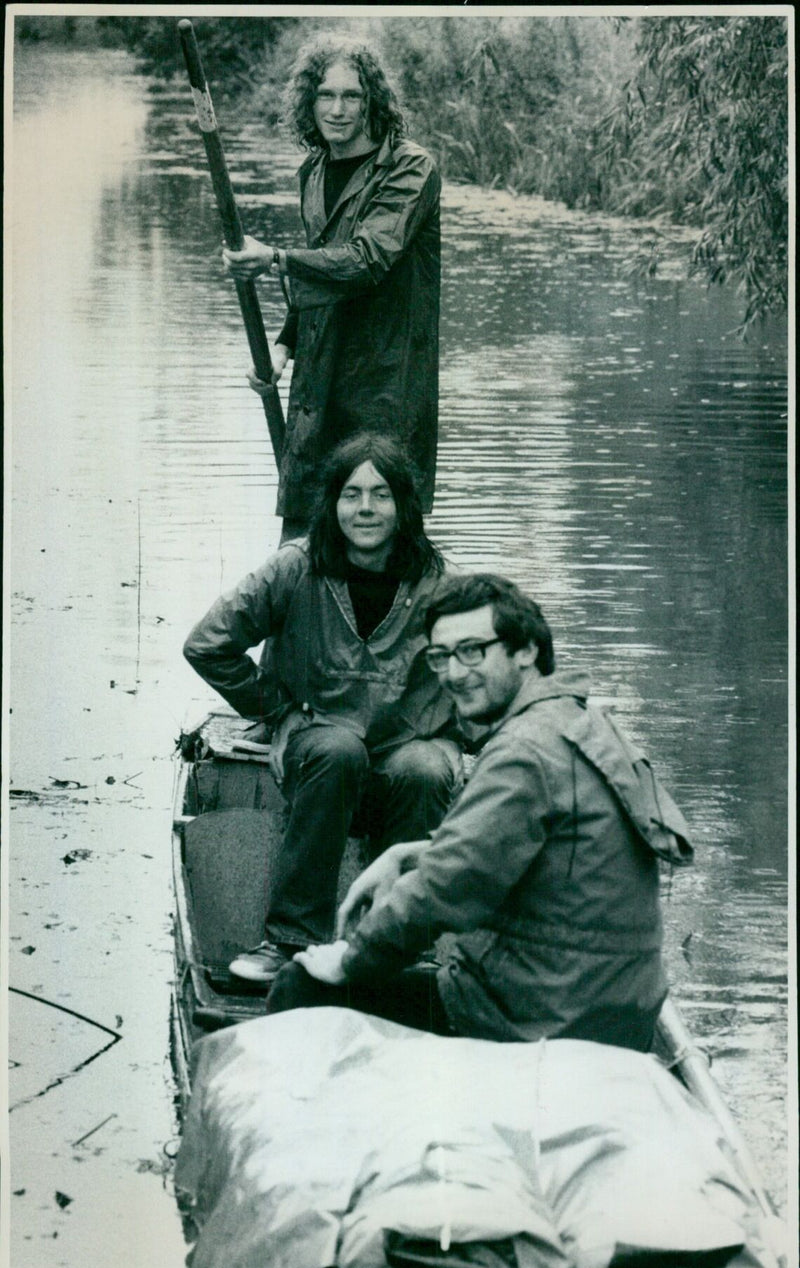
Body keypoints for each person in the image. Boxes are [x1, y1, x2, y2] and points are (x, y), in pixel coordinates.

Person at [267, 574, 695, 1053]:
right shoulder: (580, 722)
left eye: (472, 651)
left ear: (526, 651)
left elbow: (445, 888)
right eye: (441, 656)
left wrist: (351, 958)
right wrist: (407, 855)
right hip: (616, 1015)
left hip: (537, 1021)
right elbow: (531, 843)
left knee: (301, 986)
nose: (452, 673)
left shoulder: (523, 750)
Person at [183, 433, 463, 985]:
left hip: (403, 751)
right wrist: (277, 710)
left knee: (426, 768)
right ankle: (290, 939)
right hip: (318, 746)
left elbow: (486, 673)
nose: (365, 509)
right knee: (338, 750)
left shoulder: (442, 583)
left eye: (381, 495)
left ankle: (400, 944)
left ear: (405, 505)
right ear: (332, 504)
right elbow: (207, 644)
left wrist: (457, 733)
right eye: (351, 493)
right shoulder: (294, 567)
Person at [223, 35, 440, 538]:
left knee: (378, 550)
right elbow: (319, 274)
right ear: (309, 101)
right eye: (326, 95)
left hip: (383, 394)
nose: (337, 110)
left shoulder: (411, 168)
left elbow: (365, 262)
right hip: (317, 392)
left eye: (351, 96)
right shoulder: (314, 172)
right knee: (301, 549)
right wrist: (281, 348)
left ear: (372, 102)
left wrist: (274, 258)